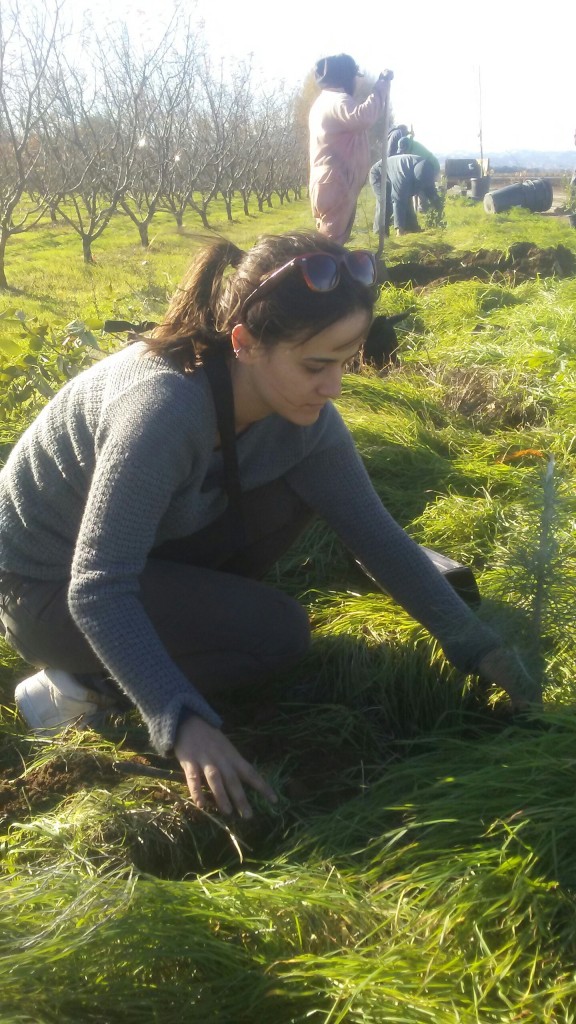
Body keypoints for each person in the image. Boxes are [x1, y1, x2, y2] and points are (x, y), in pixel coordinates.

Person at [0, 231, 540, 819]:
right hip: (41, 588)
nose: (334, 387)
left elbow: (378, 537)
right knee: (276, 634)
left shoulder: (303, 416)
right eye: (316, 365)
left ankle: (167, 635)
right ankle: (78, 686)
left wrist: (477, 646)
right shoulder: (161, 410)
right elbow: (99, 586)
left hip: (136, 552)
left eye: (345, 361)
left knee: (295, 494)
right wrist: (180, 720)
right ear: (246, 343)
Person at [308, 54, 391, 244]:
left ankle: (329, 271)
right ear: (345, 77)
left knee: (329, 241)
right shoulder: (337, 100)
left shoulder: (324, 101)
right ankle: (327, 272)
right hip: (335, 181)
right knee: (330, 245)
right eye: (354, 76)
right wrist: (381, 86)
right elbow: (363, 117)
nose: (356, 81)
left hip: (330, 181)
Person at [370, 153, 443, 234]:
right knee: (386, 204)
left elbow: (431, 191)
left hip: (401, 172)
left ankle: (412, 230)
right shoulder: (403, 178)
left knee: (407, 201)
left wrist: (438, 208)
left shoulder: (427, 170)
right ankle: (380, 235)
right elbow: (398, 200)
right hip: (379, 174)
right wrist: (399, 228)